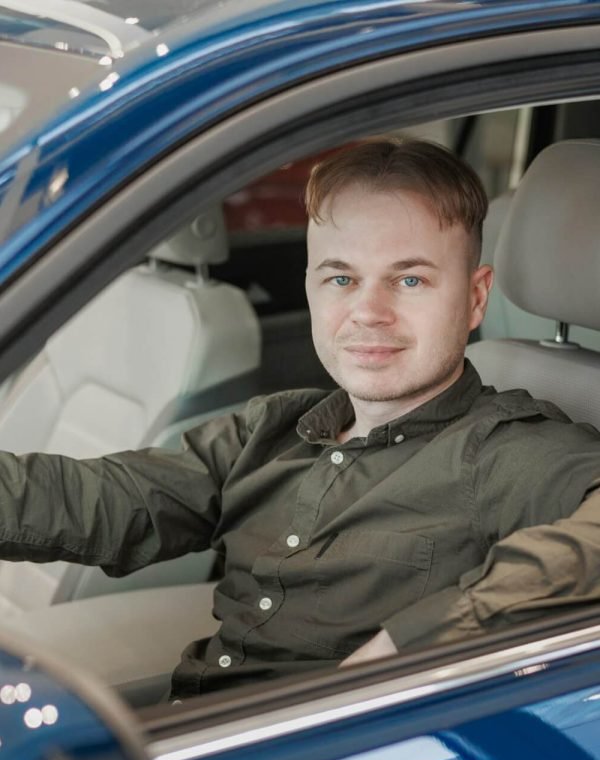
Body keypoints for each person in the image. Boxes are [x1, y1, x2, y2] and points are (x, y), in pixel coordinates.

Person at [1, 138, 600, 700]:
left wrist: (409, 646)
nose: (368, 312)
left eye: (410, 279)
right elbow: (107, 498)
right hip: (200, 713)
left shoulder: (503, 450)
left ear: (475, 299)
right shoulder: (273, 428)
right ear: (312, 289)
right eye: (341, 278)